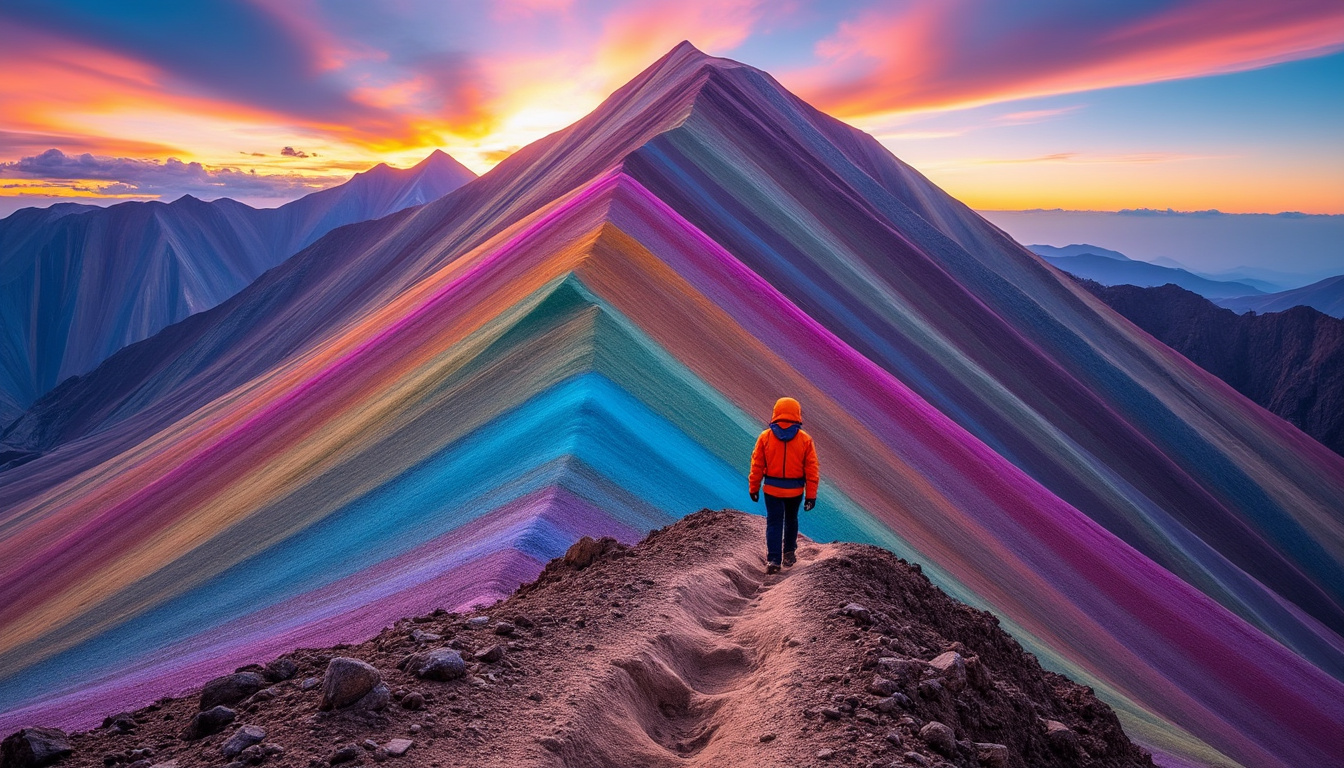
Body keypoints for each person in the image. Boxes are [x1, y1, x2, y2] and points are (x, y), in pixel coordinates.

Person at [748, 397, 820, 574]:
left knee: (774, 522)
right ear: (797, 413)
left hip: (771, 489)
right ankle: (789, 552)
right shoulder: (805, 440)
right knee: (791, 519)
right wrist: (811, 495)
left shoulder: (765, 437)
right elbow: (812, 470)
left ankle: (774, 560)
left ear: (776, 412)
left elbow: (757, 465)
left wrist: (754, 487)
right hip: (795, 490)